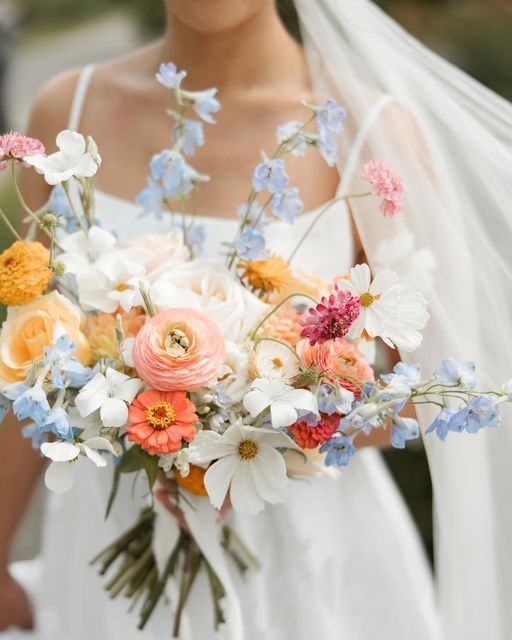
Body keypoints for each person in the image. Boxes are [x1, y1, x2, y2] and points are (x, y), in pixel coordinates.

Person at [1, 0, 511, 638]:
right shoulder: (66, 110)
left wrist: (254, 418)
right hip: (104, 537)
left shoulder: (371, 131)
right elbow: (27, 363)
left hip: (301, 546)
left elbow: (426, 388)